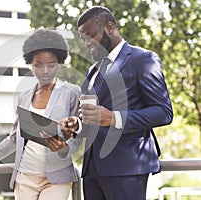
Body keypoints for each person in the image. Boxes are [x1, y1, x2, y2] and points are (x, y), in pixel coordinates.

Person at [60, 6, 173, 200]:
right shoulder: (92, 71)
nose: (86, 43)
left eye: (90, 35)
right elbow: (92, 118)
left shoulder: (143, 60)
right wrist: (77, 125)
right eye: (83, 38)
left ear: (109, 27)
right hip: (92, 168)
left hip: (126, 167)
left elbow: (164, 112)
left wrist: (113, 118)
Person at [0, 29, 82, 200]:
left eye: (51, 64)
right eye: (38, 65)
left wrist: (65, 148)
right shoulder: (24, 97)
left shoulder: (71, 93)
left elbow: (78, 135)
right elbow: (13, 139)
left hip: (57, 178)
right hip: (25, 176)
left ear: (59, 63)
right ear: (31, 64)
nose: (45, 71)